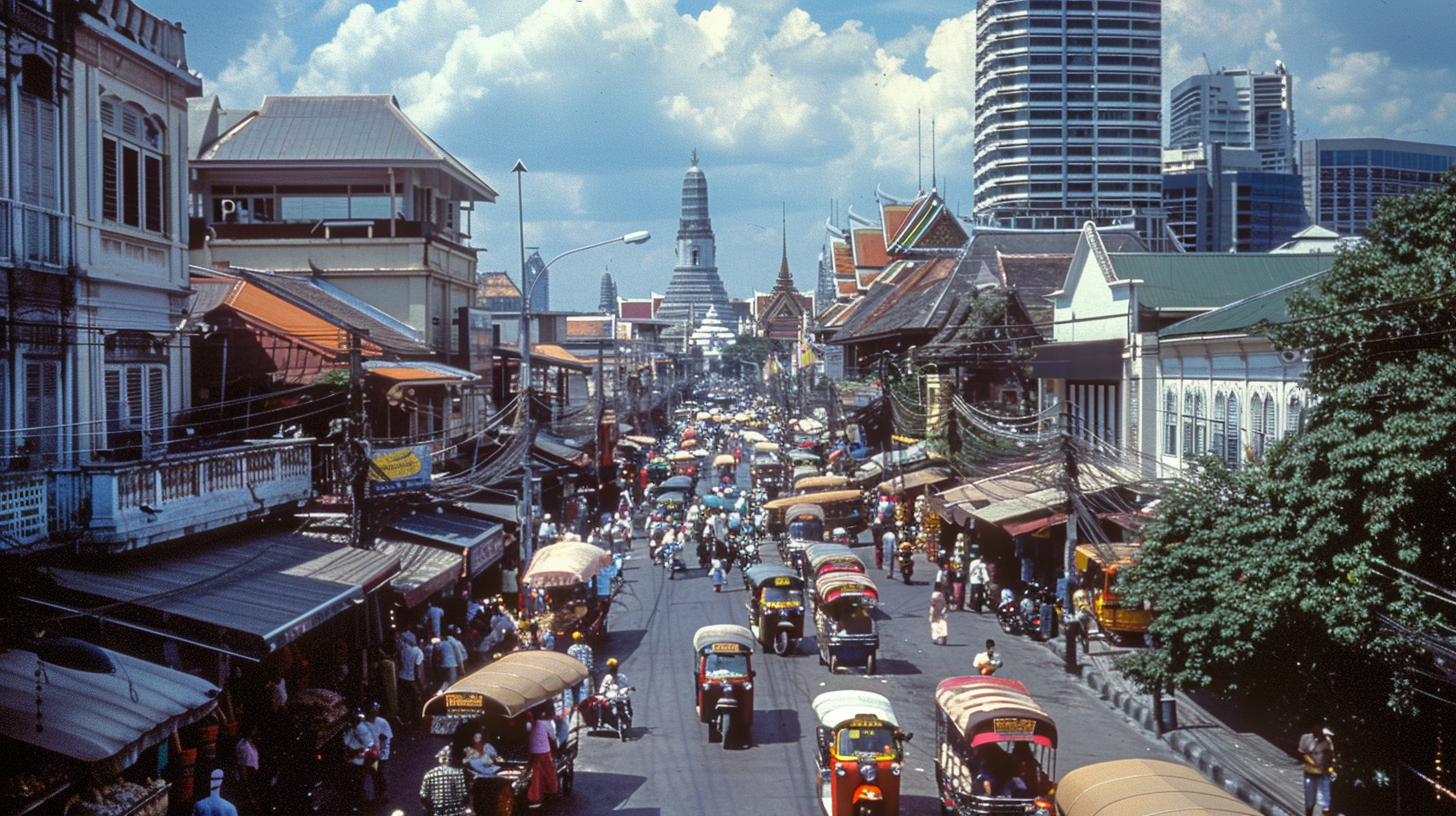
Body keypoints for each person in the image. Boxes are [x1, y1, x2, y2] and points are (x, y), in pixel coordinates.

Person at [525, 705, 560, 809]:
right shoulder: (545, 724)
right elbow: (553, 736)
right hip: (544, 751)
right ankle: (551, 791)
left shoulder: (529, 724)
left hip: (533, 752)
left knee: (536, 774)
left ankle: (535, 796)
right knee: (549, 772)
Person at [342, 709, 377, 809]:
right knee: (360, 781)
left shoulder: (361, 727)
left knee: (366, 778)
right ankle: (364, 801)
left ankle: (369, 800)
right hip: (357, 759)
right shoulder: (350, 730)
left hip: (364, 758)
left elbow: (369, 742)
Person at [419, 746, 470, 816]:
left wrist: (429, 808)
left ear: (441, 759)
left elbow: (423, 796)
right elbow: (465, 795)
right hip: (456, 812)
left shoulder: (429, 774)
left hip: (438, 812)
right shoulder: (460, 773)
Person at [1299, 722, 1336, 816]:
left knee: (1324, 798)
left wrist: (1327, 768)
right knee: (1309, 796)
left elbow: (1330, 758)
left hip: (1322, 773)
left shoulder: (1327, 742)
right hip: (1310, 771)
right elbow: (1302, 754)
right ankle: (1309, 813)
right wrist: (1312, 762)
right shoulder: (1306, 738)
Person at [365, 702, 393, 803]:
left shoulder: (382, 723)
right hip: (368, 755)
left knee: (379, 775)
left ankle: (380, 795)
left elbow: (386, 741)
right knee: (371, 776)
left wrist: (384, 756)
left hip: (378, 755)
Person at [567, 631, 596, 704]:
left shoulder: (571, 649)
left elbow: (570, 663)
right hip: (587, 673)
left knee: (576, 693)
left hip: (577, 674)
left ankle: (577, 705)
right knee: (589, 693)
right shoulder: (588, 648)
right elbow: (590, 662)